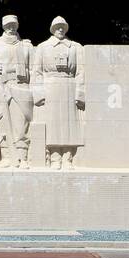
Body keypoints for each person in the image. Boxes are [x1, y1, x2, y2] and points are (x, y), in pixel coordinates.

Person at [33, 15, 84, 169]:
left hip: (69, 86)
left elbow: (81, 72)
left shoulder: (76, 47)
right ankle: (55, 157)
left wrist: (79, 93)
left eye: (63, 27)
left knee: (70, 124)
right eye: (57, 27)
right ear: (52, 29)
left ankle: (68, 157)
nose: (60, 29)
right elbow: (37, 72)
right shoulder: (42, 47)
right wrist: (39, 94)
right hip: (50, 87)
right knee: (53, 123)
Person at [0, 15, 34, 168]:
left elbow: (35, 70)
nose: (11, 27)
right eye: (8, 25)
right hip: (2, 87)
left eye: (13, 24)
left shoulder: (26, 46)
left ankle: (22, 156)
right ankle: (6, 156)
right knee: (2, 123)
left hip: (21, 86)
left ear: (18, 25)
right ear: (3, 26)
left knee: (21, 124)